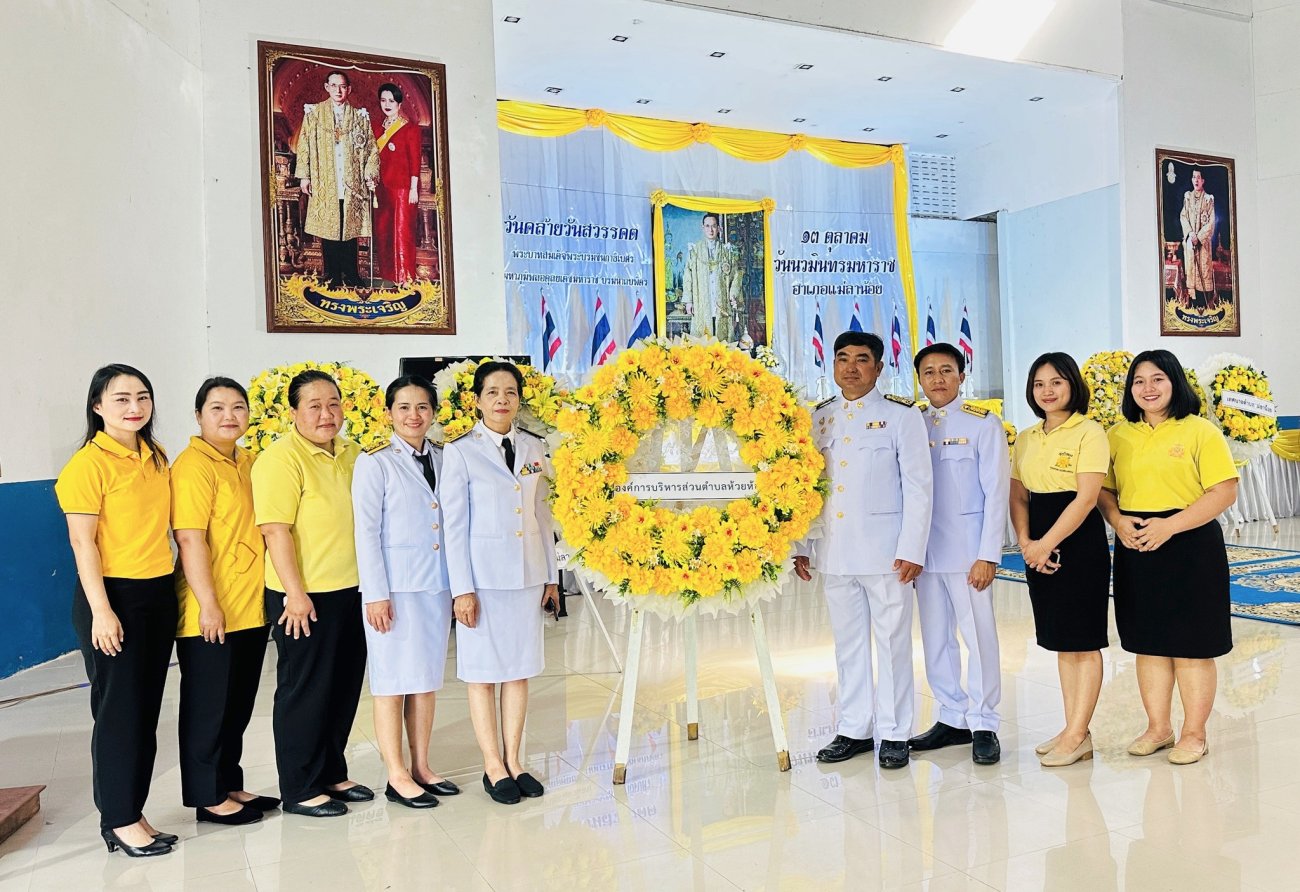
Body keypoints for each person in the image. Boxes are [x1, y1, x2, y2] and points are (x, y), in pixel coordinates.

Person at [794, 331, 932, 770]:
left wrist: (913, 548)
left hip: (887, 553)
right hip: (834, 552)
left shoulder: (900, 417)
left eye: (862, 359)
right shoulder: (818, 419)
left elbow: (919, 488)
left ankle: (894, 733)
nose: (851, 367)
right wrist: (800, 545)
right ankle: (854, 728)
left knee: (892, 642)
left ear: (878, 367)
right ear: (833, 366)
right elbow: (802, 488)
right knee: (847, 644)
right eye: (842, 359)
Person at [56, 364, 176, 856]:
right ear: (98, 406)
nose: (135, 407)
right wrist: (103, 612)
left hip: (157, 592)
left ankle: (133, 809)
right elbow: (83, 544)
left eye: (142, 397)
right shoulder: (86, 465)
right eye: (122, 398)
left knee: (145, 710)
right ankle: (119, 819)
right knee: (118, 712)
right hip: (111, 597)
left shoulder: (156, 455)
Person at [1099, 350, 1238, 765]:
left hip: (1190, 545)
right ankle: (1159, 729)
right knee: (1149, 643)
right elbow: (1105, 490)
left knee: (1193, 646)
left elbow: (1223, 491)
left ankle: (1194, 734)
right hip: (1136, 545)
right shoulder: (1117, 435)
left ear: (1174, 382)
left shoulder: (1200, 431)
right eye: (1139, 381)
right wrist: (1119, 521)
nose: (1148, 388)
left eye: (1157, 379)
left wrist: (1170, 526)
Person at [441, 361, 560, 804]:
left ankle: (516, 760)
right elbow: (454, 526)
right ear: (476, 399)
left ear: (519, 399)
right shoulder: (460, 452)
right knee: (483, 674)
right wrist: (461, 589)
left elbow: (541, 514)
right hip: (483, 581)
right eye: (492, 393)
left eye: (509, 392)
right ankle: (493, 765)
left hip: (527, 576)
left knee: (520, 670)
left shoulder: (534, 447)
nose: (501, 401)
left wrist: (551, 575)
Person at [252, 369, 369, 817]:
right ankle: (300, 787)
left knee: (342, 687)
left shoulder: (353, 453)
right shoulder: (281, 459)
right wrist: (295, 595)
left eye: (334, 403)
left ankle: (331, 773)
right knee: (305, 690)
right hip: (303, 597)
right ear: (294, 411)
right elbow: (275, 530)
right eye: (315, 405)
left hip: (351, 590)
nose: (326, 413)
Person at [171, 378, 277, 827]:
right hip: (209, 609)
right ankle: (206, 794)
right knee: (207, 704)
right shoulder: (192, 466)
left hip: (249, 604)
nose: (229, 416)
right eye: (217, 408)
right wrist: (207, 604)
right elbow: (190, 539)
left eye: (237, 407)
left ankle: (229, 782)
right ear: (198, 416)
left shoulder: (250, 461)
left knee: (237, 701)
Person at [352, 375, 460, 809]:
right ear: (389, 413)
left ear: (433, 413)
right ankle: (396, 774)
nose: (414, 416)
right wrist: (376, 594)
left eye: (422, 407)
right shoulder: (374, 462)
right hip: (393, 591)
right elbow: (366, 532)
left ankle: (422, 765)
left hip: (435, 584)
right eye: (404, 408)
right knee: (392, 682)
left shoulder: (445, 456)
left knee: (425, 681)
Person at [908, 343, 1010, 766]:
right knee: (935, 638)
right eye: (928, 372)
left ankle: (984, 721)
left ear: (961, 376)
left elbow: (996, 491)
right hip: (924, 551)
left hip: (969, 552)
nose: (937, 379)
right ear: (919, 379)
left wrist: (988, 553)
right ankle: (952, 716)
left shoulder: (983, 423)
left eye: (946, 371)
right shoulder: (909, 422)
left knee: (978, 636)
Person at [1009, 353, 1111, 767]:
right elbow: (1018, 494)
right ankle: (1074, 728)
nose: (1047, 391)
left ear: (1073, 385)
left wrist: (1045, 543)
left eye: (1056, 382)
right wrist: (1026, 541)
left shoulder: (1090, 432)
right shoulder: (1028, 437)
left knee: (1082, 640)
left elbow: (1087, 498)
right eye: (1039, 384)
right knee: (1061, 641)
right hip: (1037, 537)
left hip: (1077, 538)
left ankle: (1078, 732)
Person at [296, 70, 379, 289]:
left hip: (351, 183)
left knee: (349, 229)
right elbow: (303, 145)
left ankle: (351, 273)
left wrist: (371, 175)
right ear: (326, 87)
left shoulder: (360, 117)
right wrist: (304, 176)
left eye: (342, 86)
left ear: (349, 89)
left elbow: (371, 149)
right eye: (333, 86)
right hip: (325, 180)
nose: (338, 90)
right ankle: (332, 273)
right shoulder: (314, 114)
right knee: (329, 228)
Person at [372, 83, 422, 284]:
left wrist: (413, 188)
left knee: (401, 233)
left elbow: (415, 160)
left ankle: (404, 277)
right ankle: (388, 276)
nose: (387, 104)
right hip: (381, 188)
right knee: (384, 233)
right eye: (383, 100)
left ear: (399, 103)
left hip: (403, 188)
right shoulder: (376, 127)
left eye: (391, 100)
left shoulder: (410, 129)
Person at [683, 212, 743, 341]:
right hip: (702, 299)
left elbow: (736, 275)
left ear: (719, 228)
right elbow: (688, 277)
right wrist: (689, 301)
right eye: (707, 226)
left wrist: (733, 296)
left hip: (721, 300)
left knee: (722, 336)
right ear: (703, 228)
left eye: (714, 226)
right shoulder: (695, 251)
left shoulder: (726, 251)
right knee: (702, 337)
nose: (711, 230)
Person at [1180, 169, 1218, 311]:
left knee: (1203, 270)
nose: (1196, 180)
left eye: (1199, 178)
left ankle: (1206, 304)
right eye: (1194, 177)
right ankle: (1192, 303)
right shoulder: (1188, 197)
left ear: (1203, 181)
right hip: (1191, 243)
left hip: (1203, 244)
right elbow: (1183, 216)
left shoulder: (1209, 199)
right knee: (1191, 270)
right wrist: (1191, 233)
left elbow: (1211, 222)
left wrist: (1199, 237)